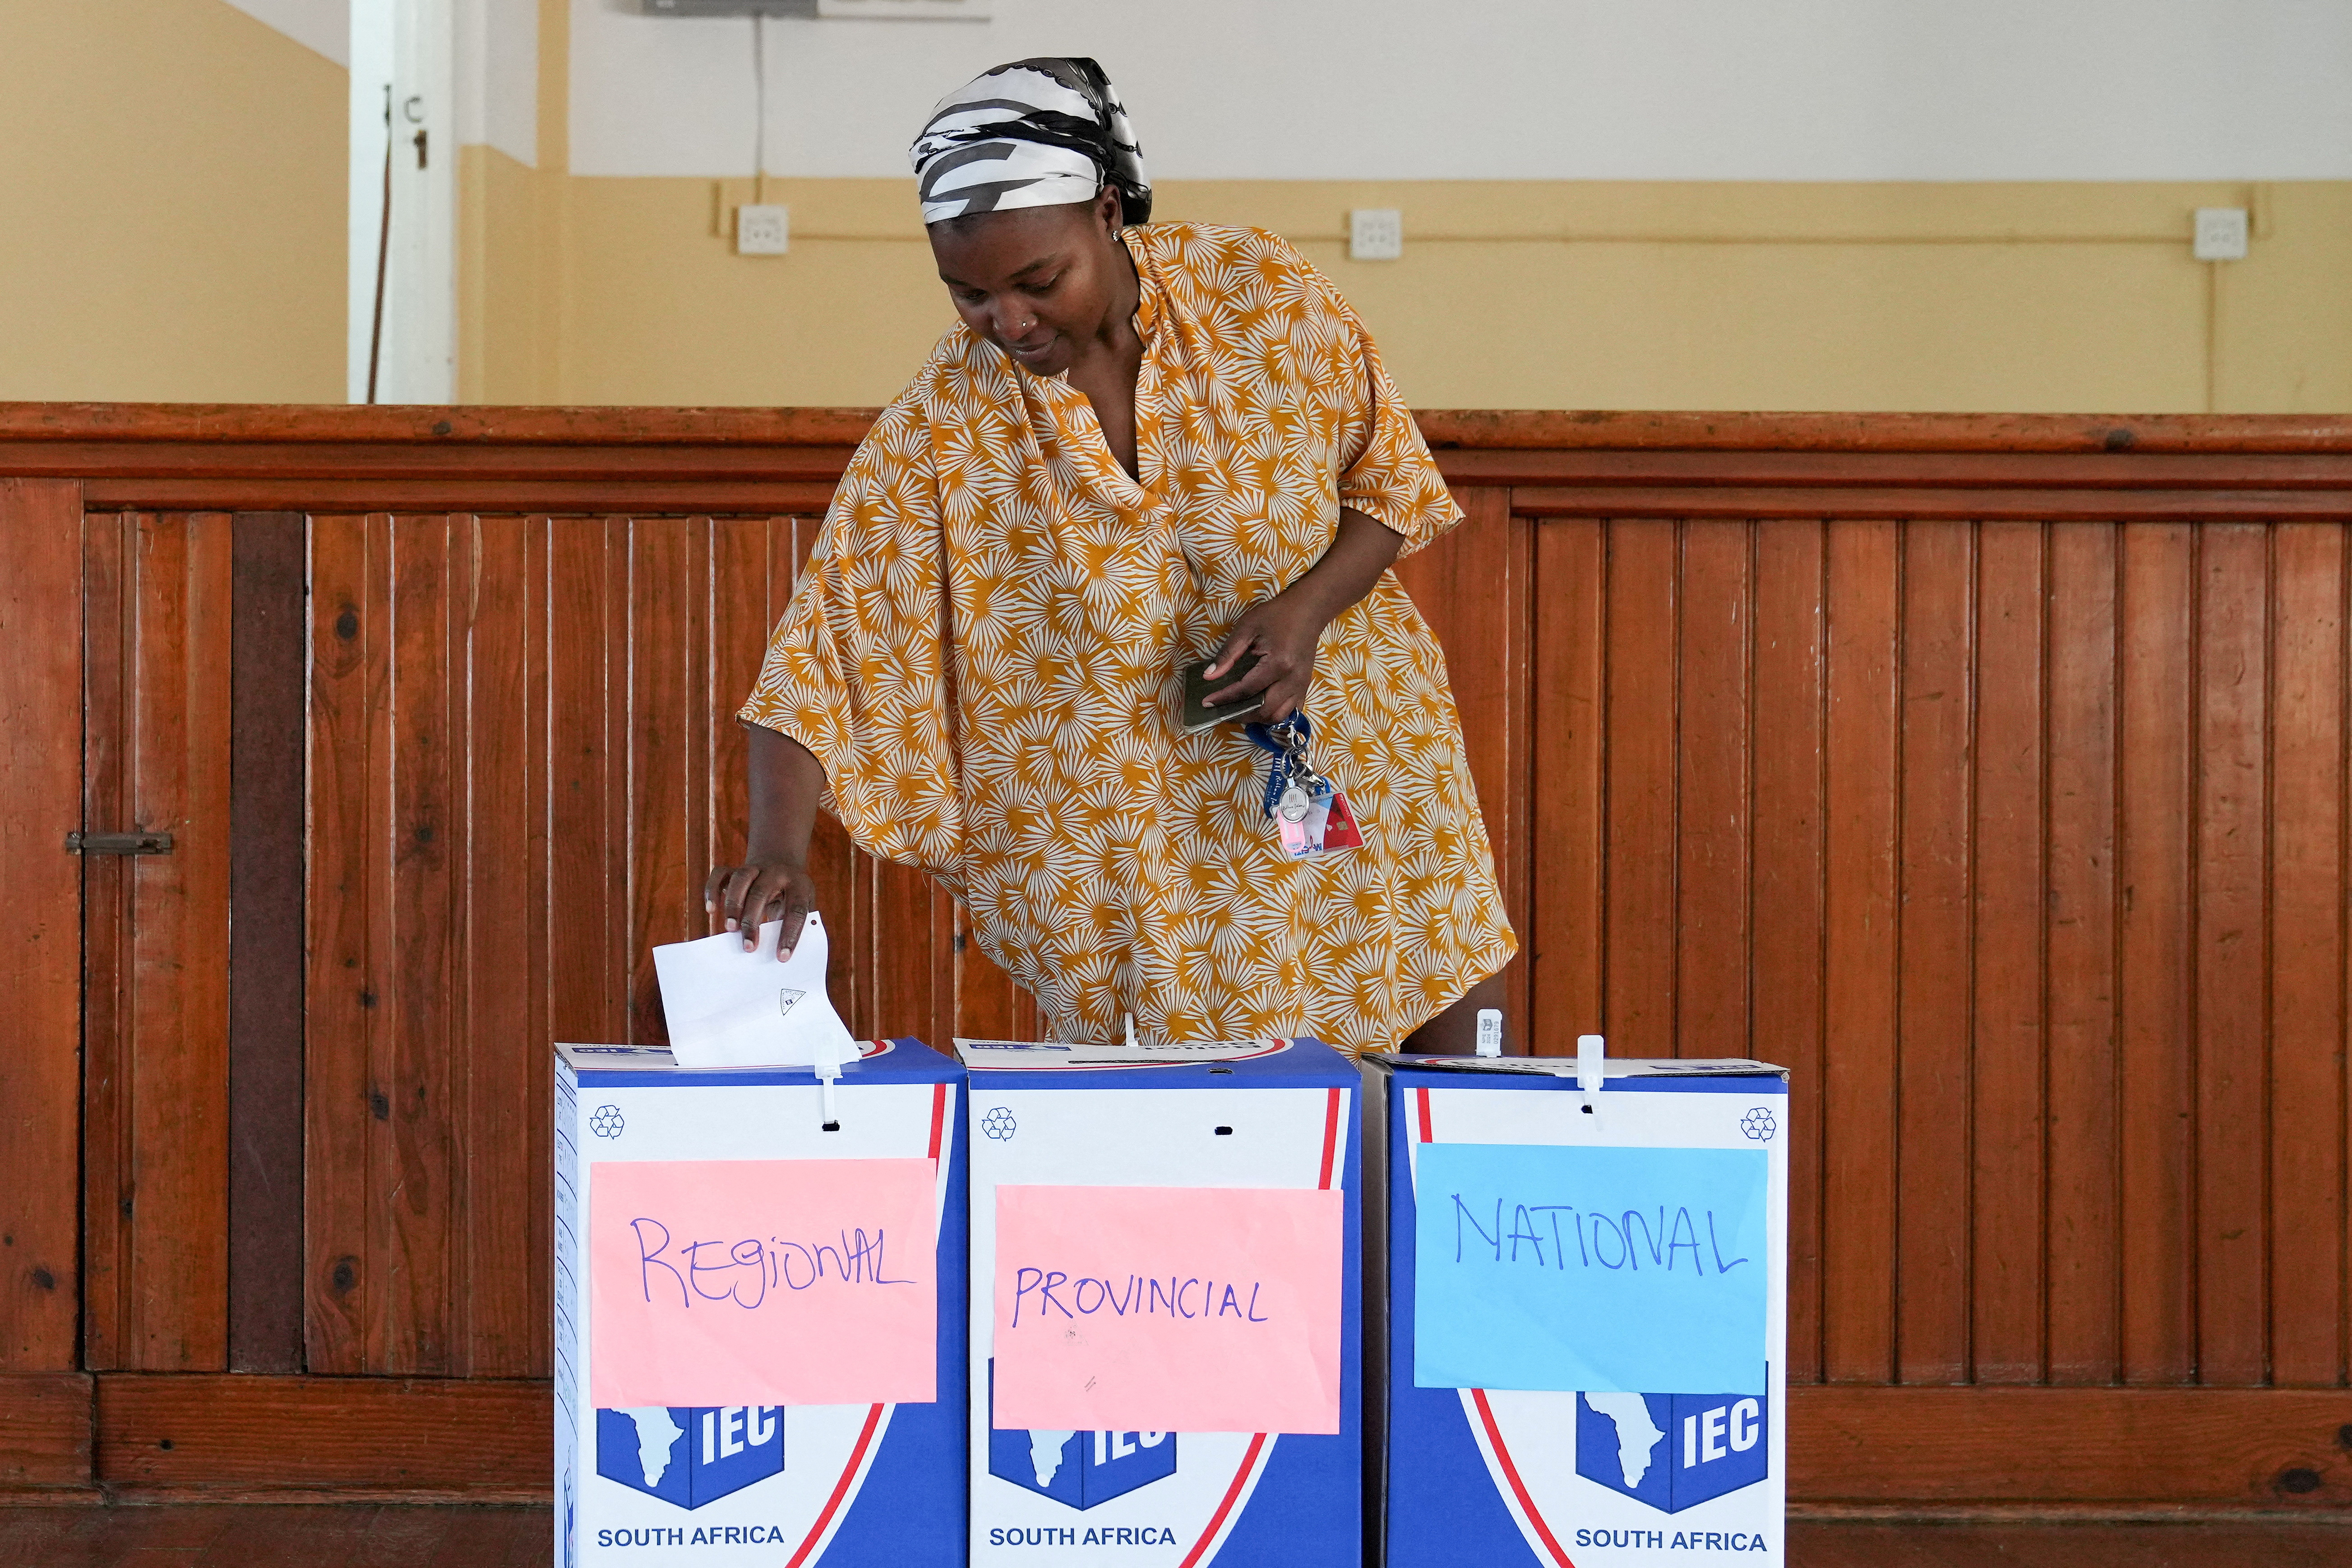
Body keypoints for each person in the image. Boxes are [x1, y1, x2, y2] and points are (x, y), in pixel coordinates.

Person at [705, 57, 1514, 1054]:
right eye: (968, 295)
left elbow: (1385, 481)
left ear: (1107, 209)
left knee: (1437, 1102)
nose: (1009, 321)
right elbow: (817, 659)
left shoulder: (1257, 295)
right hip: (1156, 870)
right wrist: (778, 849)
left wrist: (1303, 612)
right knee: (1220, 1150)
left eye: (1038, 281)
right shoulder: (947, 426)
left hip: (1360, 767)